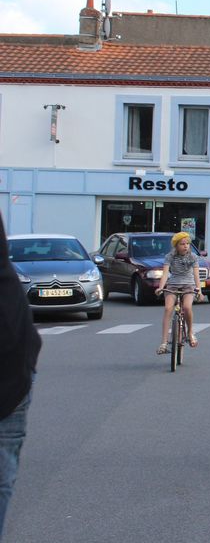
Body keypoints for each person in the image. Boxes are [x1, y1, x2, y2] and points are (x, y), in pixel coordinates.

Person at [0, 214, 41, 540]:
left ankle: (188, 335)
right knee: (170, 306)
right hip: (13, 364)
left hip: (9, 378)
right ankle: (165, 336)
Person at [155, 232, 202, 355]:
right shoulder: (169, 256)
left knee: (187, 307)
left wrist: (199, 289)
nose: (185, 246)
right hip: (173, 285)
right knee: (168, 308)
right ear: (176, 245)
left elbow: (196, 275)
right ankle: (164, 343)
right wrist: (160, 288)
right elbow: (165, 274)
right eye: (182, 244)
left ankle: (190, 333)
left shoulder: (193, 257)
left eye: (187, 244)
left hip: (188, 285)